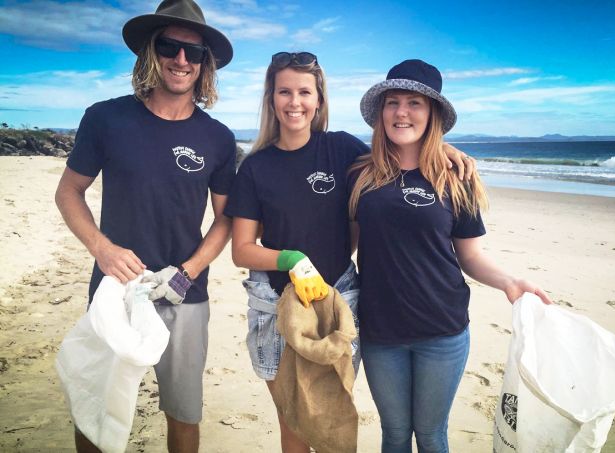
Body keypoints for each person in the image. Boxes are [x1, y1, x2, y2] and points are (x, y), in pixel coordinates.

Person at [223, 52, 475, 453]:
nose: (295, 102)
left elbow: (398, 154)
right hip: (275, 303)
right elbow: (241, 250)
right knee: (292, 421)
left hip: (338, 299)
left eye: (305, 92)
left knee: (327, 415)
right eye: (284, 92)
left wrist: (444, 150)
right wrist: (291, 260)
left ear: (319, 100)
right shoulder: (256, 168)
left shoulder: (341, 150)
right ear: (271, 99)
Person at [54, 1, 236, 451]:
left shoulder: (217, 137)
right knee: (95, 409)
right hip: (115, 286)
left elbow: (226, 217)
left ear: (204, 63)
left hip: (184, 291)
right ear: (150, 53)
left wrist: (188, 270)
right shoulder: (106, 118)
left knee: (184, 411)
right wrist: (102, 248)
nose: (181, 60)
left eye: (193, 52)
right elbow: (68, 192)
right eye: (170, 47)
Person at [348, 59, 553, 453]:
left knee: (430, 434)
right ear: (381, 112)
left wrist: (509, 281)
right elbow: (348, 245)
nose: (401, 112)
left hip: (442, 330)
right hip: (380, 331)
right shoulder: (360, 173)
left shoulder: (455, 177)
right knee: (393, 433)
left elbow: (471, 256)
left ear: (433, 114)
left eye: (415, 103)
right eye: (393, 102)